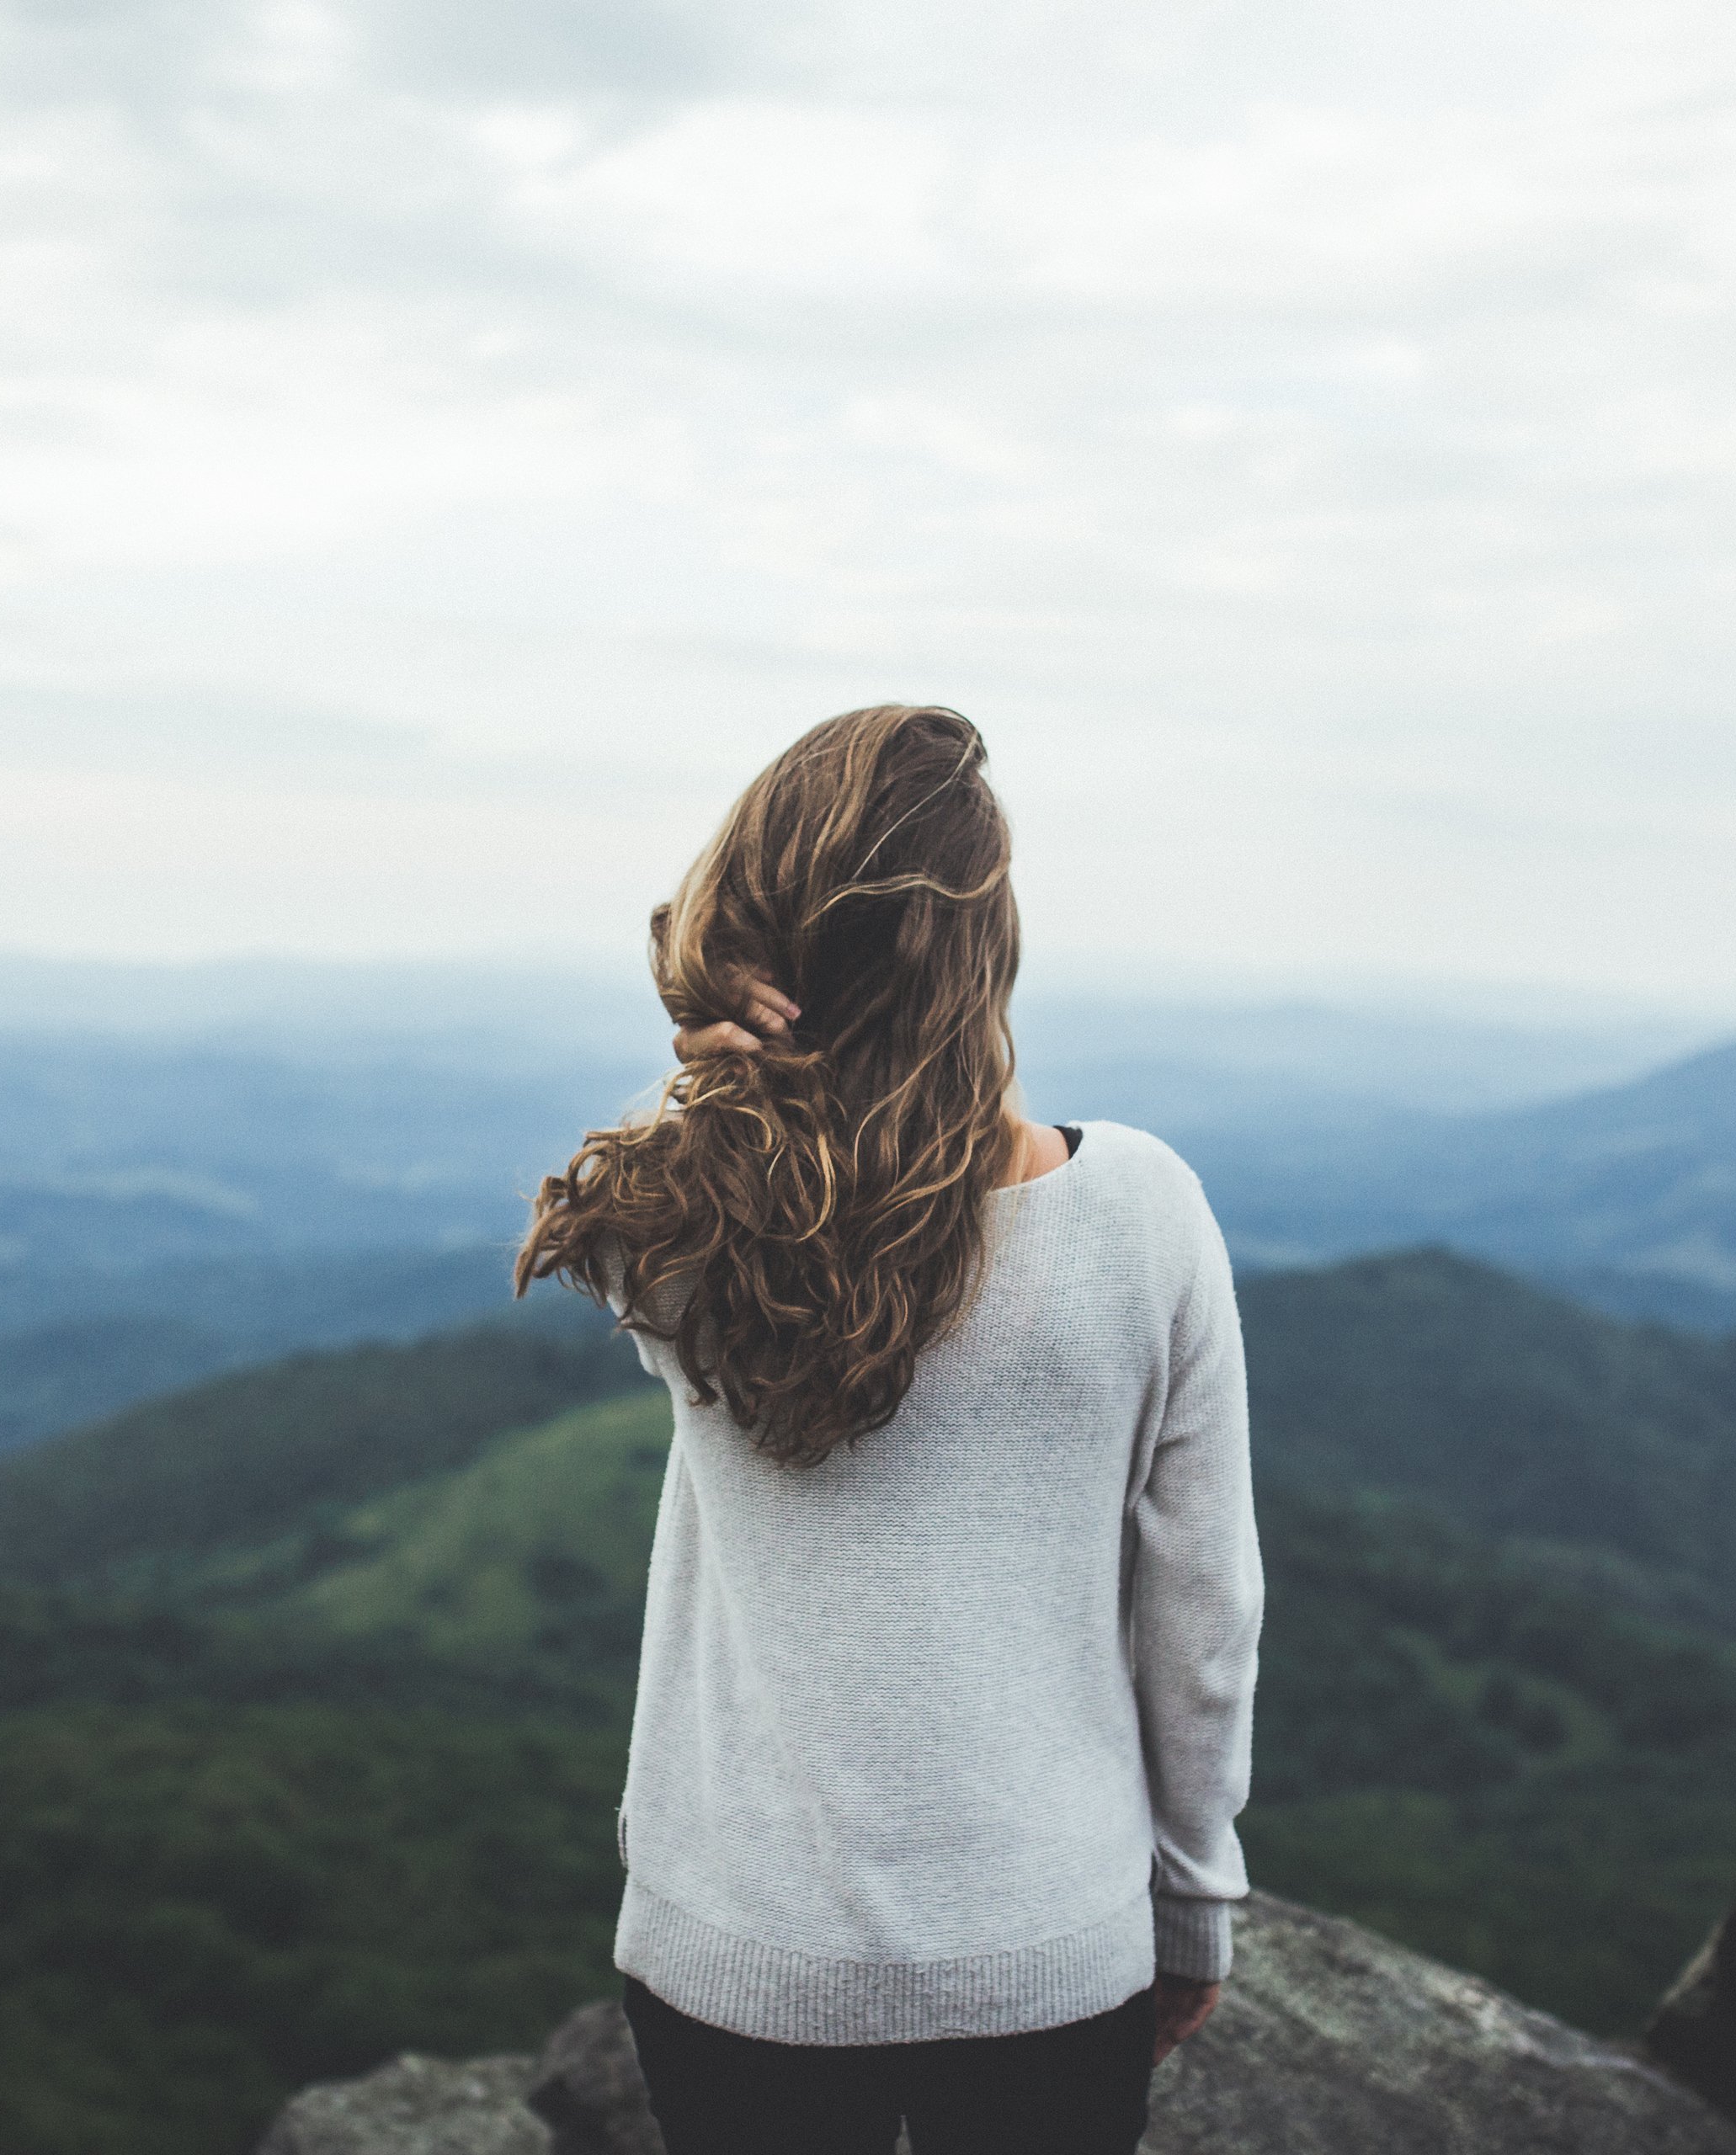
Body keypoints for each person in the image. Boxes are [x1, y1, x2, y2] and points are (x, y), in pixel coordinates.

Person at [516, 704, 1263, 2155]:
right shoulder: (1143, 1216)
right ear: (989, 944)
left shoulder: (680, 1229)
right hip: (1050, 1947)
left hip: (739, 1950)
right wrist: (1193, 1904)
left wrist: (700, 1016)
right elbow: (1207, 1614)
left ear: (755, 948)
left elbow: (670, 1168)